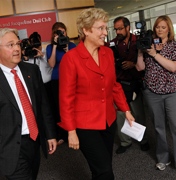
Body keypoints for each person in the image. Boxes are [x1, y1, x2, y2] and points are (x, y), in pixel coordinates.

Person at [58, 8, 135, 180]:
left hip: (108, 120)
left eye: (106, 29)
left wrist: (126, 110)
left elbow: (114, 85)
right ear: (85, 30)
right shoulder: (71, 59)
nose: (105, 33)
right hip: (85, 125)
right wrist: (71, 131)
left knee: (101, 167)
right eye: (100, 28)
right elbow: (66, 99)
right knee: (105, 171)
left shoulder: (107, 53)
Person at [0, 28, 57, 180]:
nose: (17, 48)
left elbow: (43, 106)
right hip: (7, 148)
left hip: (33, 142)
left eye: (17, 43)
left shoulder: (32, 70)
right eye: (10, 45)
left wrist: (50, 134)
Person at [135, 15, 176, 174]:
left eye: (163, 27)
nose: (159, 30)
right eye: (157, 27)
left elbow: (173, 67)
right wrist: (140, 52)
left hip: (172, 91)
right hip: (152, 92)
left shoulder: (174, 45)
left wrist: (154, 54)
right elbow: (140, 68)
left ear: (169, 29)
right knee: (159, 128)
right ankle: (163, 158)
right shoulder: (149, 45)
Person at [109, 16, 149, 154]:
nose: (118, 32)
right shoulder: (112, 44)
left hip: (135, 83)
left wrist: (133, 64)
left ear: (127, 27)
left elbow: (146, 61)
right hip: (119, 85)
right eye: (116, 29)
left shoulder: (138, 41)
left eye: (120, 29)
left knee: (139, 114)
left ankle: (143, 140)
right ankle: (125, 142)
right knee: (120, 116)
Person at [46, 22, 76, 145]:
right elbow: (52, 64)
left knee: (73, 106)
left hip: (71, 80)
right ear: (54, 34)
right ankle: (63, 135)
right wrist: (54, 46)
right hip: (57, 80)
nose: (61, 34)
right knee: (59, 108)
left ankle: (75, 131)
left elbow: (75, 63)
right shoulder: (49, 47)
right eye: (58, 32)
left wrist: (67, 49)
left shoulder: (72, 45)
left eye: (63, 32)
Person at [22, 32, 53, 108]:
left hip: (49, 85)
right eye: (33, 43)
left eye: (37, 41)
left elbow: (51, 64)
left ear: (41, 41)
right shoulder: (30, 54)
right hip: (37, 86)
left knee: (52, 106)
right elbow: (27, 69)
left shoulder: (47, 52)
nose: (36, 44)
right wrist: (26, 58)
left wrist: (43, 55)